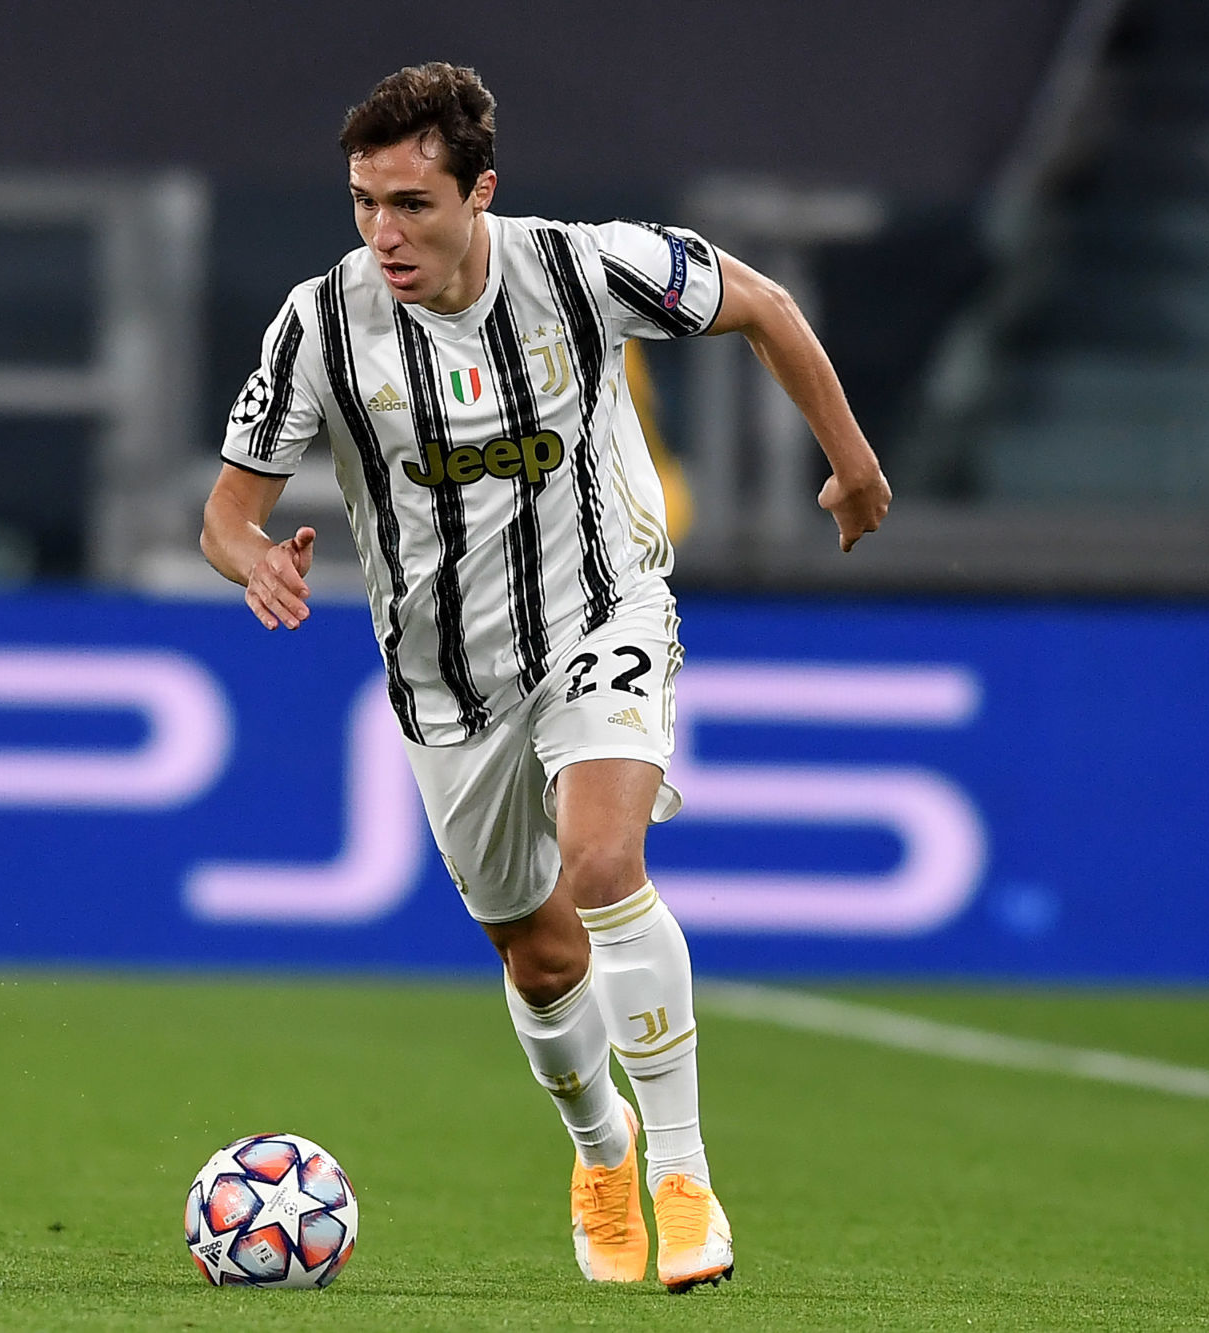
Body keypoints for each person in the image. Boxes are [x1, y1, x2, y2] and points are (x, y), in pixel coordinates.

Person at [199, 62, 890, 1291]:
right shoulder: (318, 325)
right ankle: (599, 1147)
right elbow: (224, 513)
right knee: (539, 956)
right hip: (443, 680)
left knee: (603, 866)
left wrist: (851, 461)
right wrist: (254, 560)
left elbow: (764, 305)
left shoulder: (583, 266)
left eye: (411, 203)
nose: (382, 232)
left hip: (601, 613)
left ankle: (682, 1178)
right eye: (363, 202)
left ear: (479, 194)